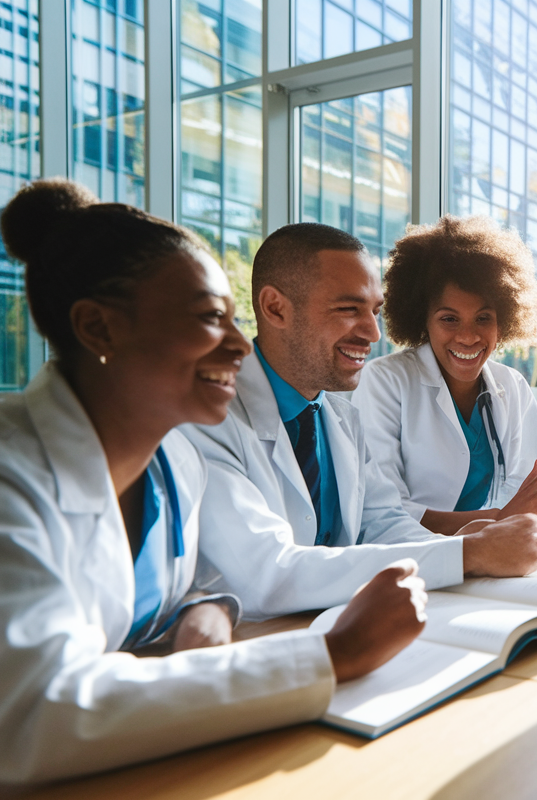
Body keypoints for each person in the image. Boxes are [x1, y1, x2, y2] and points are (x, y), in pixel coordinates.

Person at [0, 181, 426, 784]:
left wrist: (207, 607)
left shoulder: (173, 458)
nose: (237, 346)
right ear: (98, 329)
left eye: (231, 320)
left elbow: (201, 579)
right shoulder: (11, 475)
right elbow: (32, 716)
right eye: (208, 318)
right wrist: (332, 655)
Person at [184, 223, 537, 620]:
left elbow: (387, 526)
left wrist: (478, 543)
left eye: (374, 311)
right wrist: (471, 551)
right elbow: (264, 575)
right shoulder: (208, 419)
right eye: (349, 309)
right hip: (259, 639)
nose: (372, 332)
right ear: (275, 308)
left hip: (343, 623)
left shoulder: (339, 417)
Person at [353, 216, 537, 535]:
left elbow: (526, 497)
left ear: (504, 321)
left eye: (483, 318)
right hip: (416, 557)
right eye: (449, 319)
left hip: (498, 556)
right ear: (423, 319)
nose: (468, 336)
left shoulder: (512, 386)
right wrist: (501, 520)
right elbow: (385, 511)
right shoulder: (385, 380)